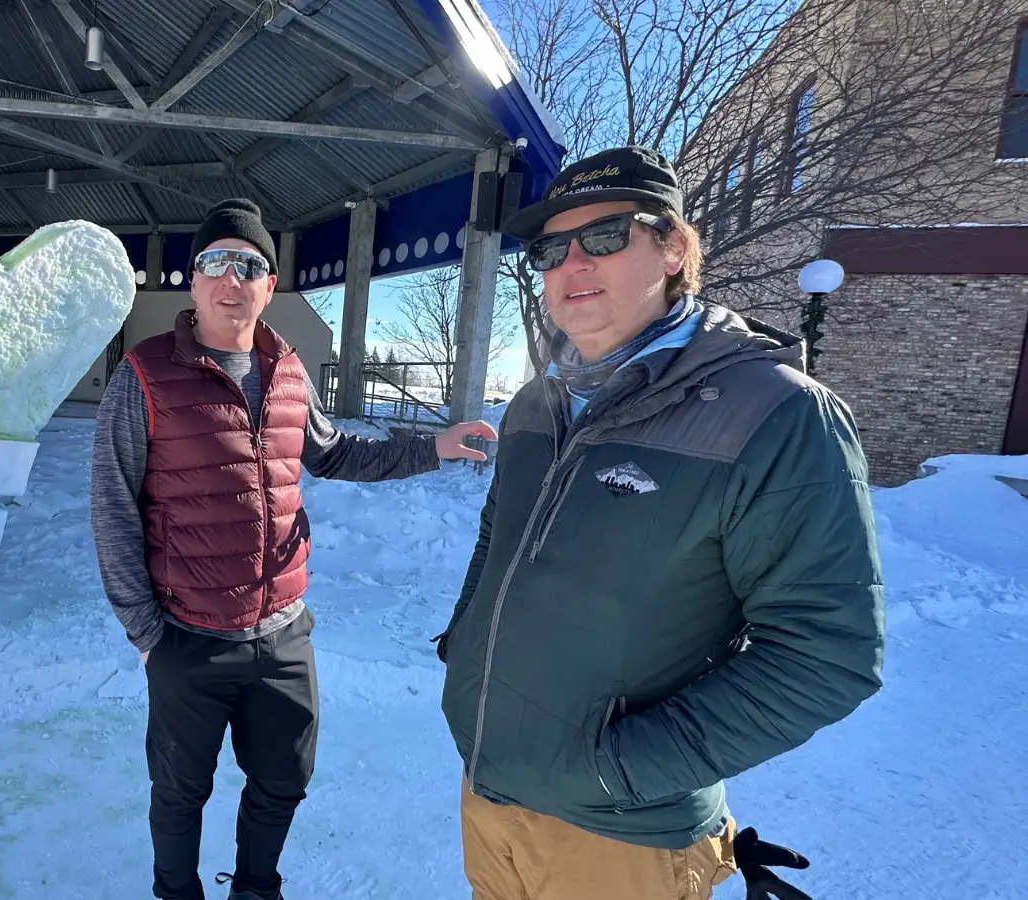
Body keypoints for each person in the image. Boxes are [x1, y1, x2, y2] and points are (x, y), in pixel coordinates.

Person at [434, 146, 885, 900]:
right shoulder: (536, 406)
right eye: (550, 249)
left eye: (606, 237)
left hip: (620, 839)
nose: (572, 262)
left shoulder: (775, 412)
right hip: (490, 792)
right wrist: (465, 654)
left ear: (674, 248)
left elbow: (827, 656)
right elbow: (497, 544)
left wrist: (617, 769)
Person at [92, 198, 496, 900]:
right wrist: (147, 632)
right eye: (215, 262)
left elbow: (334, 453)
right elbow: (112, 507)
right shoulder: (145, 375)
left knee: (285, 778)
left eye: (248, 265)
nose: (231, 279)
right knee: (180, 791)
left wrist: (433, 447)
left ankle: (255, 887)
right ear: (194, 282)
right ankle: (176, 892)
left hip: (281, 632)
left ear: (268, 285)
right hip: (188, 635)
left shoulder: (285, 369)